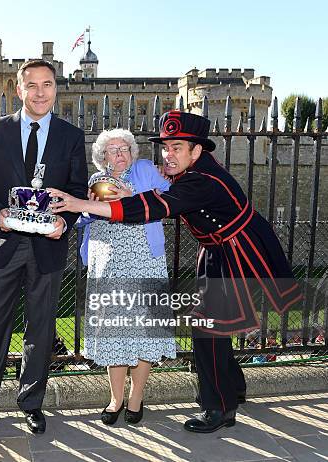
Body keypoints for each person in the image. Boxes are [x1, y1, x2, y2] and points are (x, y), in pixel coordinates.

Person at [49, 110, 302, 433]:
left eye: (177, 148)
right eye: (166, 148)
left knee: (207, 332)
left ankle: (219, 409)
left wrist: (81, 205)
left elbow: (153, 207)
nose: (169, 155)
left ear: (198, 150)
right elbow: (158, 194)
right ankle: (234, 387)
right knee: (217, 329)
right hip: (216, 250)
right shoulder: (192, 173)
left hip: (237, 252)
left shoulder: (201, 180)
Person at [0, 59, 88, 436]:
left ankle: (31, 402)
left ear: (55, 88)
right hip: (4, 243)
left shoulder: (71, 136)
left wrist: (65, 221)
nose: (40, 92)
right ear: (19, 89)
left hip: (49, 248)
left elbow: (77, 193)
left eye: (47, 84)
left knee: (40, 329)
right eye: (32, 85)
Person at [80, 129, 176, 426]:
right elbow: (89, 215)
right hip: (108, 263)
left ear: (132, 151)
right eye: (112, 150)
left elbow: (174, 196)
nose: (119, 154)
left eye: (124, 148)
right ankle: (116, 397)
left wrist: (133, 195)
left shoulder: (146, 170)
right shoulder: (95, 181)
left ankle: (136, 398)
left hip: (145, 259)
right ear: (102, 156)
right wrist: (87, 207)